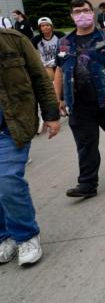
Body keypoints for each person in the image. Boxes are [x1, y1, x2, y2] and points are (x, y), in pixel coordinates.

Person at [54, 0, 105, 198]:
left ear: (93, 12)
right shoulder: (64, 43)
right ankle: (87, 184)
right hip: (78, 104)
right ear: (71, 16)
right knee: (85, 144)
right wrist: (59, 98)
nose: (82, 14)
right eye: (77, 11)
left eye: (85, 10)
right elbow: (59, 72)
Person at [0, 27, 60, 267]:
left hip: (12, 126)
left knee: (7, 181)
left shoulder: (13, 41)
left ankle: (26, 235)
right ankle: (5, 236)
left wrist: (51, 114)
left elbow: (40, 79)